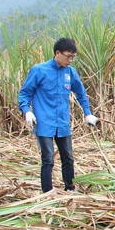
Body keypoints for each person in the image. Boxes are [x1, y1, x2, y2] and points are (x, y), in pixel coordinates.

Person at [18, 38, 98, 192]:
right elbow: (25, 93)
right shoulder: (39, 70)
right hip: (43, 122)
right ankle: (47, 193)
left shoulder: (70, 72)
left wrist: (87, 113)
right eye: (68, 56)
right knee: (48, 159)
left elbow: (81, 94)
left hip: (62, 123)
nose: (70, 60)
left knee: (68, 158)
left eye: (73, 57)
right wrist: (27, 110)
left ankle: (70, 188)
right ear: (57, 53)